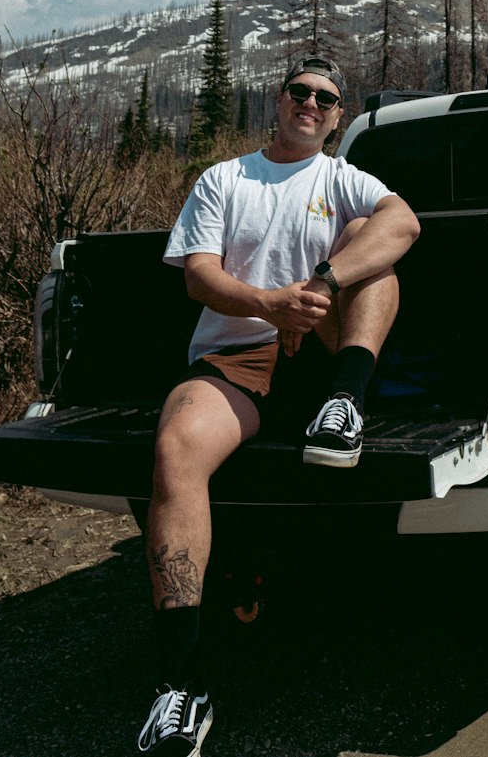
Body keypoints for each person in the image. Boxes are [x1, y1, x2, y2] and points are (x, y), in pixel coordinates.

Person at [135, 55, 420, 754]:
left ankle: (343, 404)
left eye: (326, 98)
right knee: (176, 447)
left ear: (336, 116)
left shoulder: (341, 177)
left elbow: (405, 221)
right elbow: (200, 276)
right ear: (279, 97)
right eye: (300, 90)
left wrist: (318, 282)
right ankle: (182, 685)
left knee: (371, 245)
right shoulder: (225, 179)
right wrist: (270, 304)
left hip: (324, 346)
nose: (311, 103)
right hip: (238, 354)